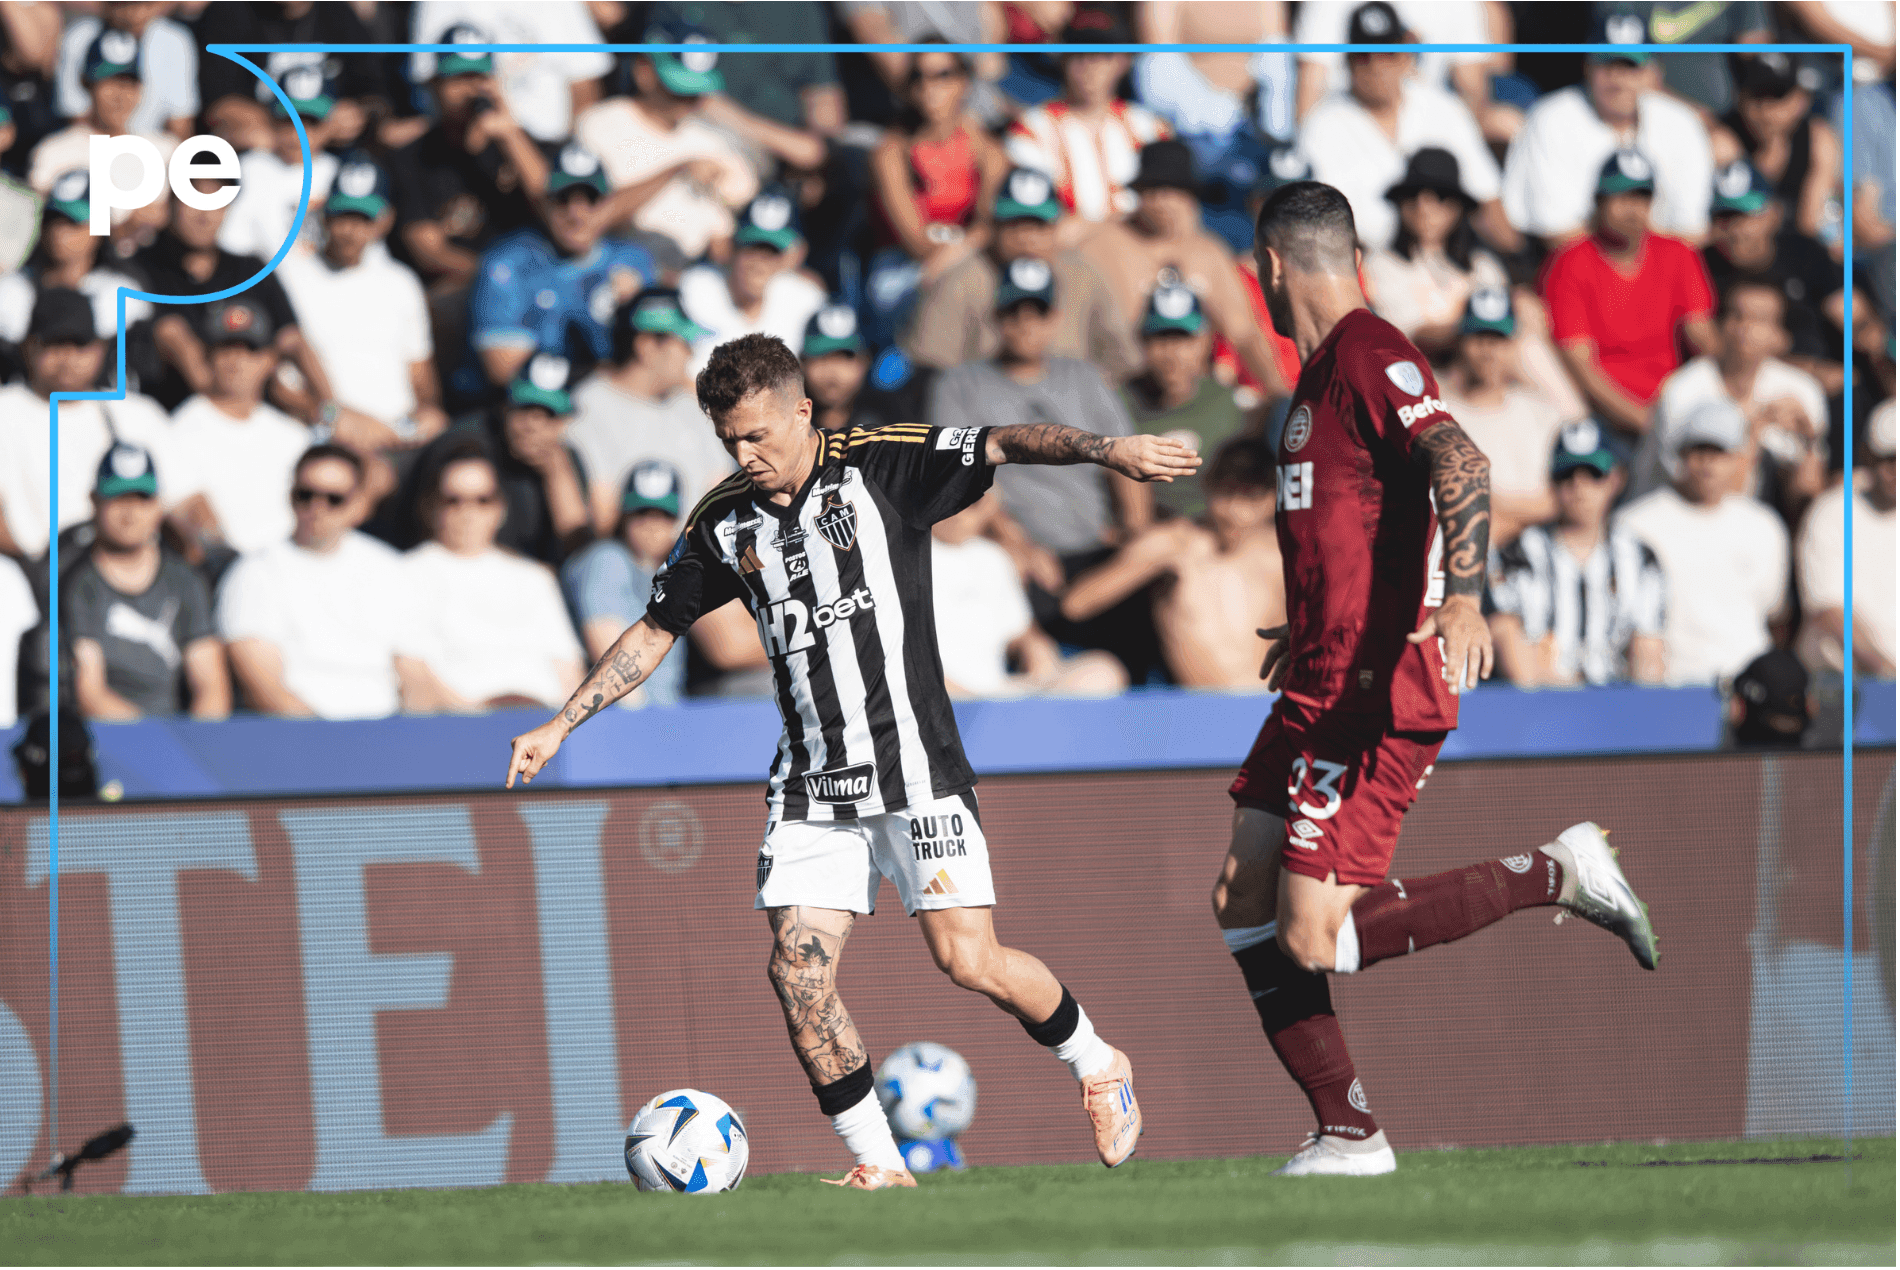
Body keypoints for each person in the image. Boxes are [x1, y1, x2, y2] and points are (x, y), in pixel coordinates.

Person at [505, 333, 1201, 1187]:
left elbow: (1005, 441)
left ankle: (1098, 1062)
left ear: (803, 411)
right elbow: (654, 632)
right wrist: (561, 725)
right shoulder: (723, 521)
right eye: (728, 440)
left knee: (969, 962)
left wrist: (1108, 450)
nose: (744, 455)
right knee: (797, 974)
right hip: (811, 786)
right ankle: (882, 1166)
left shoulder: (882, 464)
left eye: (757, 434)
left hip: (916, 770)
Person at [1211, 180, 1658, 1178]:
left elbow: (1461, 459)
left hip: (1373, 689)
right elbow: (1362, 519)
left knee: (1312, 937)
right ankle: (1344, 1129)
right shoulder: (1319, 377)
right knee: (1241, 894)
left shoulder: (1371, 352)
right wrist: (1312, 617)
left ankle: (1559, 871)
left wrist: (1464, 597)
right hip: (1320, 672)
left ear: (1271, 265)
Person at [926, 258, 1159, 680]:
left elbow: (1123, 461)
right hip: (1015, 553)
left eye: (1037, 311)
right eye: (1013, 312)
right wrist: (1018, 544)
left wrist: (1133, 532)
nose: (1025, 324)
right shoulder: (960, 385)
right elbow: (960, 476)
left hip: (1094, 549)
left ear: (1055, 318)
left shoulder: (1085, 378)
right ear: (996, 317)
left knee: (1156, 563)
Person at [218, 445, 450, 719]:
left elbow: (415, 674)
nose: (317, 508)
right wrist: (331, 740)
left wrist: (407, 735)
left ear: (359, 505)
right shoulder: (255, 573)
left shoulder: (388, 569)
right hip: (298, 734)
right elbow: (265, 687)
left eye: (334, 499)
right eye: (305, 495)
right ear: (290, 497)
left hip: (386, 730)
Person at [1062, 439, 1285, 689]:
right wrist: (1144, 563)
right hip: (1197, 705)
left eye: (1250, 498)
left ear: (1271, 499)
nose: (1235, 511)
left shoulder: (1285, 556)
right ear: (1208, 485)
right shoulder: (1172, 544)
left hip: (1268, 702)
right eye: (1226, 493)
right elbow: (1076, 604)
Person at [1294, 4, 1508, 255]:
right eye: (1363, 56)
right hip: (1364, 261)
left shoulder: (1444, 110)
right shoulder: (1322, 127)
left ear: (1406, 56)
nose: (1376, 66)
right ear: (1347, 62)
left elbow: (1487, 196)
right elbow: (1322, 227)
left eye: (1387, 53)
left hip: (1450, 259)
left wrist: (1518, 260)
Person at [1083, 141, 1288, 397]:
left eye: (1173, 191)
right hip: (1120, 391)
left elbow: (1245, 334)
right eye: (1152, 190)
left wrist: (1278, 392)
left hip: (1191, 397)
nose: (1162, 201)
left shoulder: (1207, 253)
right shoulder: (1104, 246)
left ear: (1190, 196)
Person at [1542, 151, 1717, 441]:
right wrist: (1646, 423)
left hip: (1676, 405)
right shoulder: (1570, 263)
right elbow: (1583, 368)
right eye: (1621, 197)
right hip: (1605, 417)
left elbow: (1702, 336)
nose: (1632, 209)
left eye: (1641, 198)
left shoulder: (1678, 255)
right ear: (1599, 202)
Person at [905, 166, 1138, 381]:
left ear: (1056, 228)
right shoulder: (962, 281)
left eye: (1038, 225)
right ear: (995, 228)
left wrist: (1084, 393)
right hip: (984, 405)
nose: (1026, 237)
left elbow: (1121, 357)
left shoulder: (1082, 276)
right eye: (1014, 224)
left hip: (1071, 404)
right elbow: (931, 367)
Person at [276, 158, 449, 447]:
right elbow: (276, 377)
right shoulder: (291, 276)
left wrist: (428, 412)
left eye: (363, 219)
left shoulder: (402, 283)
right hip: (324, 437)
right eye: (342, 216)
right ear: (325, 215)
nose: (350, 230)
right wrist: (327, 416)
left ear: (384, 221)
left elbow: (420, 374)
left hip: (398, 435)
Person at [1615, 399, 1789, 686]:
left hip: (1748, 684)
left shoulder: (1764, 526)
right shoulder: (1636, 525)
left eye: (1719, 451)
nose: (1708, 462)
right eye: (1698, 450)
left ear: (1739, 459)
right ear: (1680, 455)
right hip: (1671, 686)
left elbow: (1774, 612)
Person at [403, 443, 585, 711]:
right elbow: (413, 671)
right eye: (453, 500)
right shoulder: (409, 573)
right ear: (431, 505)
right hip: (461, 721)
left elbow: (568, 668)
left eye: (482, 499)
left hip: (543, 718)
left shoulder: (535, 578)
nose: (468, 511)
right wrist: (477, 720)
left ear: (500, 507)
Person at [467, 142, 658, 396]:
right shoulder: (507, 265)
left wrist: (630, 314)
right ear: (544, 202)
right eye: (563, 199)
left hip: (617, 401)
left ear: (609, 204)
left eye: (591, 199)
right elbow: (504, 371)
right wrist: (605, 373)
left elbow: (660, 359)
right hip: (528, 405)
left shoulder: (633, 261)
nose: (576, 214)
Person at [1488, 421, 1668, 687]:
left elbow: (1648, 659)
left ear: (1615, 479)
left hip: (1616, 705)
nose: (1579, 486)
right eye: (1567, 474)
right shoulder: (1516, 556)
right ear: (1552, 481)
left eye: (1594, 473)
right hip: (1541, 703)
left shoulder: (1640, 558)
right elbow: (1513, 655)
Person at [0, 289, 175, 560]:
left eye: (79, 344)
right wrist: (34, 573)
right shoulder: (6, 410)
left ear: (99, 350)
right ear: (29, 347)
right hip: (29, 569)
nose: (67, 358)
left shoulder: (138, 415)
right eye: (54, 344)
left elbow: (180, 504)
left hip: (128, 570)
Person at [572, 17, 760, 268]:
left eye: (696, 94)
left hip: (695, 266)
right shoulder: (599, 124)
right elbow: (594, 217)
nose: (688, 102)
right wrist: (677, 169)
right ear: (644, 72)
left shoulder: (710, 138)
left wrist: (719, 180)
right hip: (623, 256)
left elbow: (738, 199)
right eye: (678, 90)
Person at [64, 443, 229, 721]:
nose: (130, 513)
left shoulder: (186, 581)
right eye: (118, 498)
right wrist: (154, 739)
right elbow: (91, 693)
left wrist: (196, 738)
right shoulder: (78, 585)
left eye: (142, 499)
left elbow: (210, 685)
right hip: (110, 733)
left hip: (180, 732)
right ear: (94, 501)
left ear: (159, 506)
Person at [1639, 279, 1828, 515]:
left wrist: (1809, 443)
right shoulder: (1683, 390)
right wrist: (1753, 432)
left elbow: (1808, 499)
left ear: (1780, 336)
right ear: (1720, 324)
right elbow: (1703, 495)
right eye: (1737, 316)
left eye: (1759, 319)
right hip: (1676, 515)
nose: (1745, 327)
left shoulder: (1802, 390)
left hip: (1770, 518)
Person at [865, 45, 1010, 349]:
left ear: (964, 83)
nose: (929, 87)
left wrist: (958, 252)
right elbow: (915, 240)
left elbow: (992, 222)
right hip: (902, 267)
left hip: (962, 258)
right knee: (970, 284)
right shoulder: (892, 151)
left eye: (942, 75)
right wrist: (961, 250)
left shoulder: (985, 147)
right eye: (918, 77)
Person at [1501, 42, 1714, 245]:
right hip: (1571, 263)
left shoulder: (1681, 122)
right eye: (1607, 66)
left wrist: (1641, 262)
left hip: (1659, 262)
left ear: (1652, 73)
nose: (1617, 80)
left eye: (1629, 68)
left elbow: (1692, 230)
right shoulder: (1550, 119)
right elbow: (1556, 232)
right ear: (1587, 67)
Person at [393, 355, 594, 566]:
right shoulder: (463, 445)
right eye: (524, 408)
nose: (533, 424)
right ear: (505, 407)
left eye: (548, 414)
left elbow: (579, 551)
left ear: (565, 422)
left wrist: (558, 475)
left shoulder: (567, 462)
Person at [387, 32, 549, 293]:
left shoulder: (519, 144)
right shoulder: (413, 157)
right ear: (435, 85)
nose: (470, 89)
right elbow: (428, 252)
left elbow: (552, 205)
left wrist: (510, 135)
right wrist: (497, 277)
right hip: (468, 285)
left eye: (478, 78)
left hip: (534, 275)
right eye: (458, 79)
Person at [568, 290, 736, 536]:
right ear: (646, 346)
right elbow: (602, 518)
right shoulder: (589, 406)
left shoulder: (689, 405)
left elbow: (724, 491)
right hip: (630, 553)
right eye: (684, 343)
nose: (690, 354)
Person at [931, 493, 1127, 700]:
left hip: (995, 696)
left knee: (1102, 673)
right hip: (937, 698)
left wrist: (1037, 654)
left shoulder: (992, 558)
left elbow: (1022, 634)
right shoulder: (910, 558)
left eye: (973, 503)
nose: (959, 512)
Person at [167, 300, 314, 558]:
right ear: (208, 357)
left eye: (250, 349)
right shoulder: (178, 430)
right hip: (223, 567)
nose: (237, 360)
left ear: (270, 360)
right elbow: (191, 517)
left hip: (296, 563)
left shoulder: (294, 436)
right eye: (226, 349)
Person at [1003, 12, 1169, 225]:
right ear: (1063, 60)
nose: (1089, 66)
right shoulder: (1031, 129)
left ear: (1123, 62)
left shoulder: (1151, 129)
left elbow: (1167, 204)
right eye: (1078, 55)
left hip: (1134, 237)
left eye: (1102, 56)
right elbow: (1034, 209)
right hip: (1065, 239)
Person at [1437, 289, 1566, 543]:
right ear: (1460, 343)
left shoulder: (1542, 410)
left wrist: (1499, 506)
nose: (1488, 351)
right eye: (1478, 338)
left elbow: (1566, 497)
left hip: (1550, 544)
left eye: (1498, 339)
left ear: (1514, 344)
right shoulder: (1442, 418)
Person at [561, 460, 690, 707]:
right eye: (641, 513)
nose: (651, 525)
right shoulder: (606, 560)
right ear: (624, 516)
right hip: (623, 716)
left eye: (663, 515)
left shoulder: (669, 575)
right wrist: (643, 723)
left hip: (666, 714)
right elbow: (614, 669)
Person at [1702, 160, 1844, 380]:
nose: (1735, 230)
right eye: (1724, 217)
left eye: (1746, 216)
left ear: (1773, 215)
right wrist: (1809, 371)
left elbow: (1851, 314)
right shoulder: (1702, 269)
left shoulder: (1806, 253)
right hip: (1741, 382)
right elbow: (1712, 349)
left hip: (1825, 371)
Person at [1362, 148, 1508, 355]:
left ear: (1457, 207)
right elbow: (1411, 337)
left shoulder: (1482, 265)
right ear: (1400, 204)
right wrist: (1475, 325)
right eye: (1413, 195)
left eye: (1440, 196)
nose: (1424, 207)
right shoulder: (1380, 265)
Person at [1118, 284, 1245, 521]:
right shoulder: (1120, 402)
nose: (1172, 355)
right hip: (1152, 531)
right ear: (1142, 342)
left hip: (1216, 527)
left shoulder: (1226, 403)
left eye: (1183, 339)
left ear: (1205, 342)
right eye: (1160, 339)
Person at [30, 29, 174, 238]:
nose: (120, 96)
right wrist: (122, 228)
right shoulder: (54, 153)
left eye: (129, 84)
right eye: (109, 82)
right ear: (85, 82)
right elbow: (48, 232)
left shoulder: (166, 151)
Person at [410, 1, 612, 144]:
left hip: (554, 146)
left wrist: (573, 156)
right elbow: (433, 80)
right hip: (477, 143)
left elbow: (585, 79)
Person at [1794, 399, 1896, 679]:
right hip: (1843, 683)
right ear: (1868, 457)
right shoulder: (1832, 512)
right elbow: (1828, 611)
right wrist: (1886, 672)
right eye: (1889, 459)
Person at [681, 188, 827, 376]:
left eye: (771, 252)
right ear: (733, 248)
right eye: (751, 248)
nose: (759, 263)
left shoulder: (804, 299)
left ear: (788, 259)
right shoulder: (695, 288)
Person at [216, 65, 343, 260]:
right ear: (271, 119)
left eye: (310, 122)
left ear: (329, 125)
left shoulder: (338, 175)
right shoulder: (250, 167)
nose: (297, 134)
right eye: (288, 120)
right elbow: (232, 244)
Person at [1718, 52, 1842, 241]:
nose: (1766, 110)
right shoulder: (1722, 141)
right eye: (1757, 96)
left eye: (1778, 96)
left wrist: (1772, 219)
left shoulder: (1818, 140)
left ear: (1801, 101)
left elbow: (1812, 225)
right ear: (1740, 97)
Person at [55, 3, 199, 138]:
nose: (134, 12)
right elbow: (76, 116)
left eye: (130, 84)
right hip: (92, 145)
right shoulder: (79, 35)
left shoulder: (174, 40)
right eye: (124, 3)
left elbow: (180, 122)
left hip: (150, 146)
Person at [802, 304, 911, 434]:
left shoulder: (895, 423)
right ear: (802, 362)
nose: (832, 371)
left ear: (865, 361)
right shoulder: (787, 423)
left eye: (845, 357)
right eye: (820, 357)